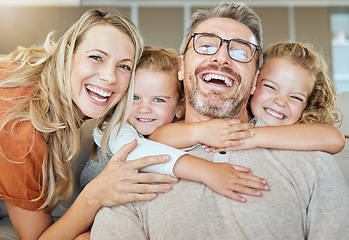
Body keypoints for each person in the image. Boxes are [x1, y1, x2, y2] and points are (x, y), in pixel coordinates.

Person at [91, 3, 349, 239]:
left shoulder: (311, 159)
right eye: (205, 46)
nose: (222, 58)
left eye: (239, 51)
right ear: (181, 67)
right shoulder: (136, 163)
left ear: (255, 81)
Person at [0, 8, 185, 240]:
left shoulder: (53, 82)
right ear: (67, 55)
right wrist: (95, 194)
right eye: (96, 57)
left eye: (124, 66)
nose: (109, 77)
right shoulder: (21, 127)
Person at [81, 46, 268, 203]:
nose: (144, 109)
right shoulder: (115, 127)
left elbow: (167, 135)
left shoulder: (175, 126)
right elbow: (134, 151)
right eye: (135, 98)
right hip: (96, 210)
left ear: (179, 107)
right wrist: (207, 171)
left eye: (159, 100)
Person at [148, 41, 345, 154]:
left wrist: (252, 138)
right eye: (270, 86)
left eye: (296, 97)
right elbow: (158, 137)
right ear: (252, 84)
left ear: (307, 105)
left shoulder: (300, 133)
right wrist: (202, 130)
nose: (280, 101)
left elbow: (334, 138)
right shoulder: (231, 122)